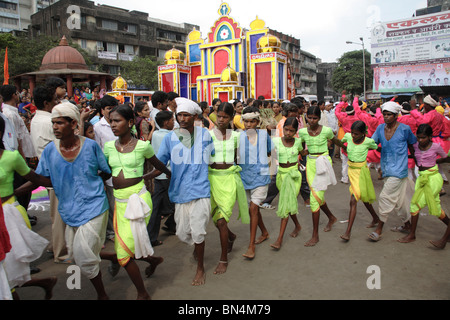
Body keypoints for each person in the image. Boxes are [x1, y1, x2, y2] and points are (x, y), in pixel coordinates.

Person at [16, 102, 114, 299]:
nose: (55, 127)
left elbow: (106, 170)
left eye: (59, 123)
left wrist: (92, 184)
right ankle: (112, 258)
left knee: (84, 257)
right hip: (69, 210)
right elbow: (43, 178)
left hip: (94, 206)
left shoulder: (91, 146)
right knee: (77, 254)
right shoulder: (51, 151)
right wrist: (17, 191)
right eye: (53, 123)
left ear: (74, 124)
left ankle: (102, 295)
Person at [103, 105, 169, 300]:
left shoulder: (142, 146)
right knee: (130, 246)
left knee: (124, 253)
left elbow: (160, 167)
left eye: (117, 121)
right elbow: (105, 172)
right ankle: (153, 260)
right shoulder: (108, 147)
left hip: (139, 201)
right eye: (111, 121)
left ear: (130, 122)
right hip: (120, 202)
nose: (113, 124)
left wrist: (144, 176)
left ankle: (142, 293)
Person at [155, 97, 215, 286]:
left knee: (198, 231)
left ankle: (200, 268)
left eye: (186, 115)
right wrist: (146, 177)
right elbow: (160, 162)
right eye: (179, 115)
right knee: (182, 233)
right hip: (180, 191)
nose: (182, 118)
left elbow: (212, 157)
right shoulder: (169, 138)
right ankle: (196, 248)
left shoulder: (205, 135)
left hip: (200, 189)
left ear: (195, 116)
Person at [0, 116, 57, 300]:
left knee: (7, 269)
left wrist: (63, 180)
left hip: (8, 216)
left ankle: (44, 283)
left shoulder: (11, 157)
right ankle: (44, 283)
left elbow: (37, 179)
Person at [30, 86, 70, 264]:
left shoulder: (36, 118)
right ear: (47, 103)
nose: (57, 102)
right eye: (55, 99)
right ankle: (61, 252)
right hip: (57, 173)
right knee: (60, 215)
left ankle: (57, 246)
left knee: (57, 214)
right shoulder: (49, 121)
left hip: (50, 172)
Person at [208, 102, 249, 274]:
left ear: (232, 118)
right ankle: (231, 236)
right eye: (219, 116)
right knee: (215, 218)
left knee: (222, 220)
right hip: (211, 179)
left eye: (225, 117)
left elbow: (241, 158)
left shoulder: (238, 136)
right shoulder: (208, 135)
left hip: (230, 179)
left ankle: (223, 258)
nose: (221, 120)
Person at [368, 101, 417, 241]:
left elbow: (413, 145)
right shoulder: (380, 128)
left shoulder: (405, 129)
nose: (386, 117)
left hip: (400, 169)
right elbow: (373, 143)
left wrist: (419, 161)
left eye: (389, 114)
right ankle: (407, 224)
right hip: (386, 168)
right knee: (399, 200)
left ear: (396, 115)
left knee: (385, 197)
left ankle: (379, 229)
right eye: (385, 114)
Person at [298, 106, 345, 247]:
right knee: (318, 196)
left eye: (315, 118)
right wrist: (299, 155)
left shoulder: (326, 131)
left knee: (314, 199)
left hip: (323, 162)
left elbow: (335, 141)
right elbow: (301, 148)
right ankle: (331, 217)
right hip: (311, 164)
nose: (311, 120)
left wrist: (347, 147)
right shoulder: (302, 132)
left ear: (319, 118)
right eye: (309, 118)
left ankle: (315, 235)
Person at [398, 124, 449, 244]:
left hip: (433, 179)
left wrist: (435, 161)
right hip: (422, 178)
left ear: (430, 136)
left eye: (423, 137)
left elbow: (445, 158)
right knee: (436, 209)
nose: (420, 140)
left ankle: (412, 235)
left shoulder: (436, 146)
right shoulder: (415, 146)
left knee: (415, 205)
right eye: (419, 137)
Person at [238, 106, 273, 259]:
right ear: (243, 122)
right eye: (246, 122)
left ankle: (251, 245)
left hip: (260, 176)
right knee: (254, 210)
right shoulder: (237, 136)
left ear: (258, 122)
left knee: (253, 208)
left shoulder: (264, 135)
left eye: (252, 121)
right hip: (244, 177)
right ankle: (264, 232)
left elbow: (269, 151)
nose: (249, 124)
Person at [339, 121, 380, 241]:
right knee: (363, 197)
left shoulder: (368, 142)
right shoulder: (347, 137)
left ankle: (348, 232)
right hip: (351, 171)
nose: (353, 136)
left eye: (356, 134)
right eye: (352, 133)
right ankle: (375, 217)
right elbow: (341, 142)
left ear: (363, 133)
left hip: (361, 172)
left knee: (353, 199)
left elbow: (377, 148)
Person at [270, 117, 303, 250]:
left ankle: (279, 239)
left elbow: (301, 152)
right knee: (289, 205)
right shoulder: (276, 141)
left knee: (286, 206)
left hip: (294, 176)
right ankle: (298, 226)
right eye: (286, 130)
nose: (288, 133)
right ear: (283, 129)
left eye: (291, 131)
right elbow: (271, 155)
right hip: (281, 176)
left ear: (296, 132)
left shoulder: (298, 141)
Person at [147, 110, 176, 245]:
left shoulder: (156, 134)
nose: (174, 122)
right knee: (177, 201)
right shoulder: (171, 135)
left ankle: (167, 226)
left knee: (157, 205)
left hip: (158, 174)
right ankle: (170, 224)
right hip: (168, 172)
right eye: (172, 120)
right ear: (166, 122)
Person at [94, 95, 119, 243]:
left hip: (121, 168)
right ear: (102, 110)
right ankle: (110, 232)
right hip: (107, 169)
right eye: (108, 109)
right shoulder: (98, 127)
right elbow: (97, 150)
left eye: (113, 109)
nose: (111, 112)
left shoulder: (118, 123)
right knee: (111, 203)